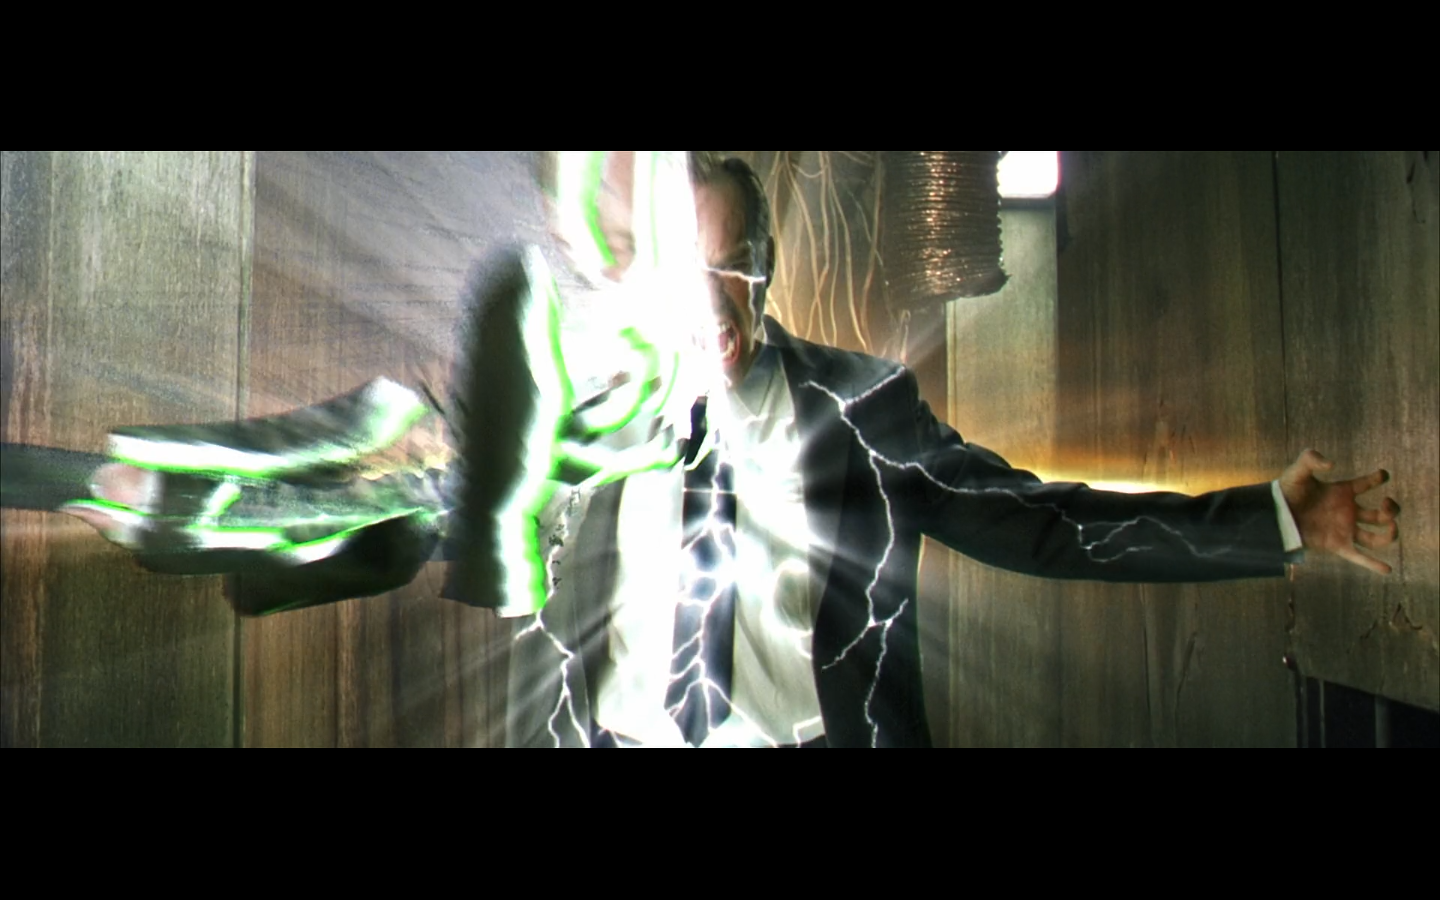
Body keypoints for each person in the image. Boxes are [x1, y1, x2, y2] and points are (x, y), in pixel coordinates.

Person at [49, 152, 1402, 748]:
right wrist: (192, 512)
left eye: (734, 267)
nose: (713, 308)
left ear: (767, 262)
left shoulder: (865, 414)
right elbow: (403, 496)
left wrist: (1280, 522)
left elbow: (1042, 524)